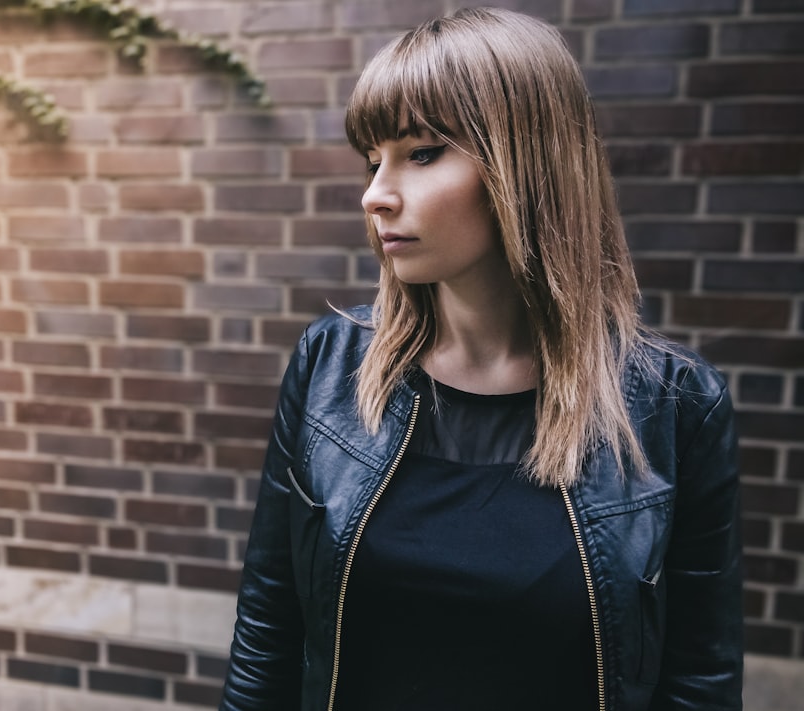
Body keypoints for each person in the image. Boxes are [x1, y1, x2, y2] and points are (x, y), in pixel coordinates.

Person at [220, 7, 742, 711]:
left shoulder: (675, 407)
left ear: (527, 162)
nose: (376, 194)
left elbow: (698, 684)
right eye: (373, 160)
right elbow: (269, 634)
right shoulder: (330, 366)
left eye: (422, 152)